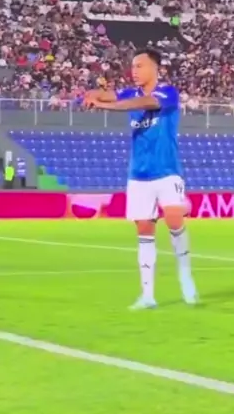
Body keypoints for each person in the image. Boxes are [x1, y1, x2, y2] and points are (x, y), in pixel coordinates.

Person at [84, 50, 197, 309]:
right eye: (133, 66)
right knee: (145, 232)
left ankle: (185, 276)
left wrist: (105, 105)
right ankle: (147, 295)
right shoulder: (129, 94)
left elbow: (142, 103)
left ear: (155, 68)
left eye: (140, 66)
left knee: (174, 219)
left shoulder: (167, 93)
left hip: (167, 170)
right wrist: (91, 95)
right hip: (139, 174)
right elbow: (109, 94)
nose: (134, 71)